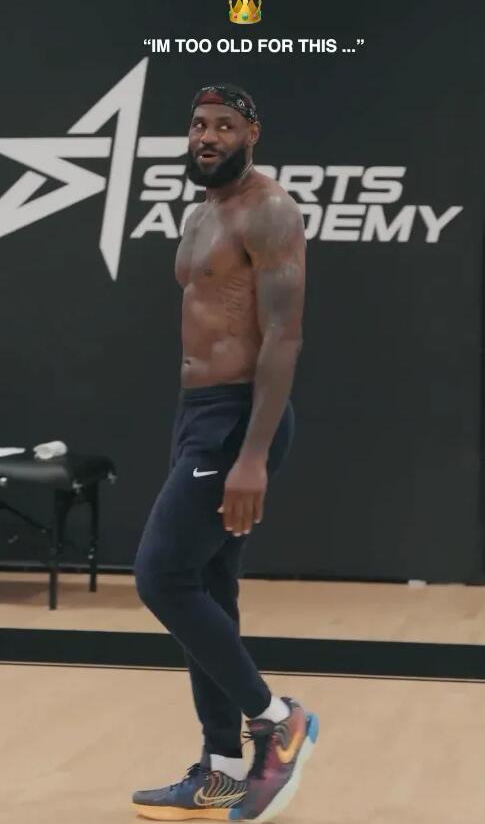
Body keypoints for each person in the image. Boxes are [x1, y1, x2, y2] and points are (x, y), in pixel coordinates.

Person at [132, 83, 319, 822]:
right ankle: (220, 770)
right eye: (198, 124)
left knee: (161, 576)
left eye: (224, 125)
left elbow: (285, 335)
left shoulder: (269, 210)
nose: (207, 136)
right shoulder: (201, 212)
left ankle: (276, 721)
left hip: (238, 420)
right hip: (198, 415)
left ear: (252, 134)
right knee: (208, 588)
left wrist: (252, 455)